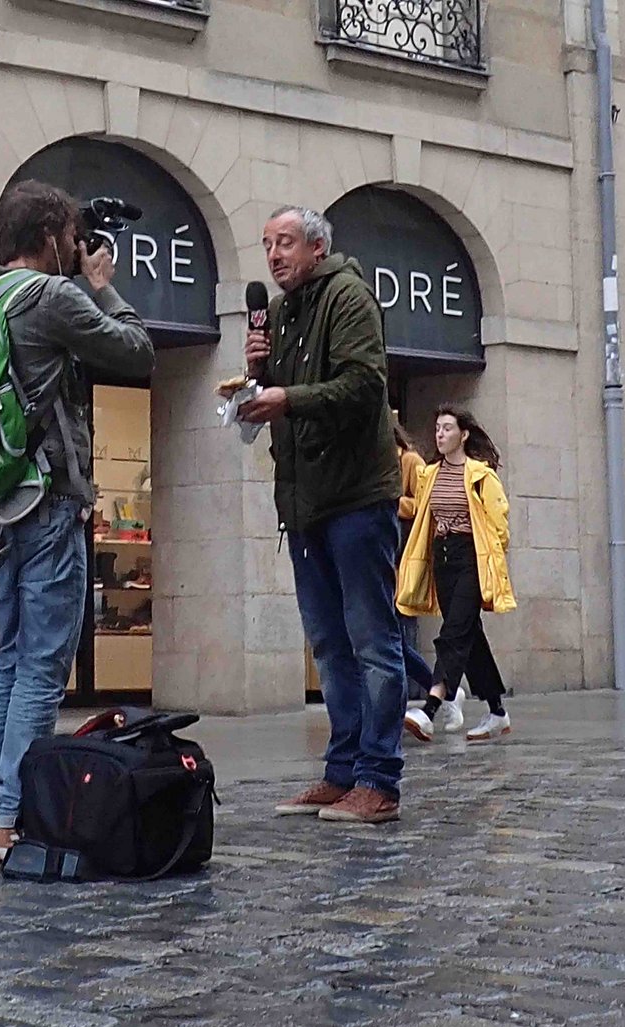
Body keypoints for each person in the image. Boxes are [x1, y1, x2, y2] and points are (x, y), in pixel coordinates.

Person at [0, 180, 154, 860]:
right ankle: (19, 817)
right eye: (72, 240)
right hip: (47, 500)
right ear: (49, 239)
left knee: (7, 664)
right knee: (44, 670)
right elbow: (137, 351)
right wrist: (102, 285)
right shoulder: (52, 296)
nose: (79, 250)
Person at [236, 206, 406, 825]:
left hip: (357, 498)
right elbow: (284, 393)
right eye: (267, 245)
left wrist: (288, 398)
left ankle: (379, 781)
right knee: (330, 647)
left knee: (373, 643)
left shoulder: (348, 296)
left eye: (284, 243)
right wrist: (258, 376)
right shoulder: (280, 313)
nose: (274, 255)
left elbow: (364, 386)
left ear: (316, 246)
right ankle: (342, 774)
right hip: (304, 505)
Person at [398, 406, 516, 742]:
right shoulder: (430, 475)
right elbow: (423, 516)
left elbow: (499, 525)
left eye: (447, 429)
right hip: (443, 557)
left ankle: (431, 707)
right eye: (437, 429)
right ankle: (496, 711)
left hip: (472, 557)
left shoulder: (481, 475)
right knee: (468, 635)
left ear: (463, 435)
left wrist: (489, 556)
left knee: (453, 633)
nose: (440, 434)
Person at [394, 422, 463, 725]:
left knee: (394, 640)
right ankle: (446, 693)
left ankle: (444, 692)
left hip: (404, 559)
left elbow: (424, 504)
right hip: (381, 556)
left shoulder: (410, 461)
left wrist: (390, 500)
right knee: (390, 640)